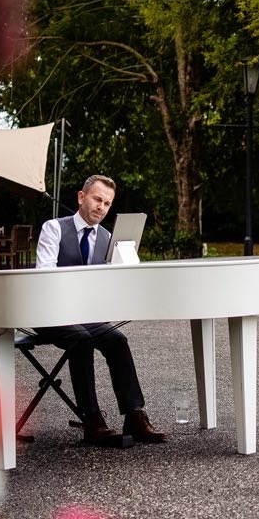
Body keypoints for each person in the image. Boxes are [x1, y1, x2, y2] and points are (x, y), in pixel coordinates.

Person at [31, 174, 168, 445]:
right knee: (81, 339)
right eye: (97, 199)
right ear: (81, 197)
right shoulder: (54, 228)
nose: (101, 207)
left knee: (117, 339)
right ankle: (92, 421)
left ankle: (134, 415)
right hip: (49, 312)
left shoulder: (108, 238)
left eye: (107, 203)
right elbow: (43, 275)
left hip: (85, 315)